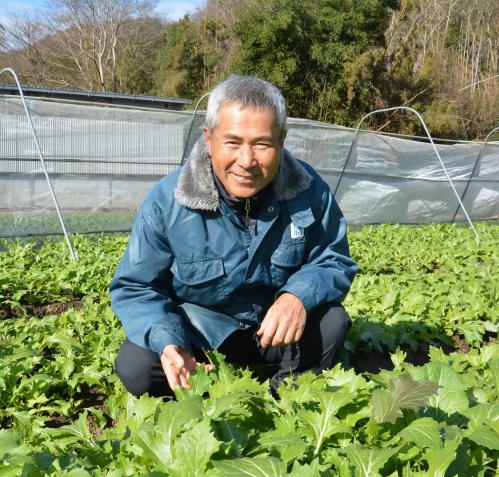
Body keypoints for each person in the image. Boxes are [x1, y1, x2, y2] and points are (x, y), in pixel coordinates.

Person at [109, 74, 357, 396]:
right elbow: (136, 285)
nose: (247, 161)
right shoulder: (167, 201)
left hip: (274, 334)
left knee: (331, 324)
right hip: (201, 334)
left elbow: (334, 259)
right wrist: (168, 341)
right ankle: (202, 393)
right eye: (233, 142)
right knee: (137, 366)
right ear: (209, 138)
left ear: (281, 140)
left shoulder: (309, 190)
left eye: (262, 144)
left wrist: (297, 296)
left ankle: (286, 398)